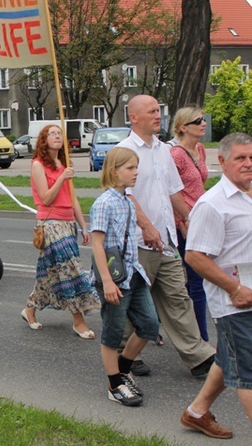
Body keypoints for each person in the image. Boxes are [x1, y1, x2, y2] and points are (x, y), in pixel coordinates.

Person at [116, 95, 215, 378]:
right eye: (151, 112)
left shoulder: (163, 150)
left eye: (159, 111)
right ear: (133, 117)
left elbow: (174, 191)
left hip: (167, 240)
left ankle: (199, 357)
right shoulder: (124, 151)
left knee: (178, 297)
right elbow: (125, 194)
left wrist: (186, 223)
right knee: (134, 300)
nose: (158, 116)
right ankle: (125, 355)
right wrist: (146, 226)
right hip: (138, 241)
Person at [179, 133, 252, 439]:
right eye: (240, 158)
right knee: (249, 372)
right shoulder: (212, 204)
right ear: (222, 162)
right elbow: (195, 256)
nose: (248, 164)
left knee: (230, 357)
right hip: (235, 303)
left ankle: (196, 413)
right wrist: (234, 289)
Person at [91, 147, 160, 407]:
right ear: (113, 171)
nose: (136, 172)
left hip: (134, 274)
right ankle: (115, 384)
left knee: (150, 326)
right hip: (114, 279)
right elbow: (97, 245)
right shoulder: (104, 203)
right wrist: (107, 281)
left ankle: (122, 368)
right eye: (130, 168)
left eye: (136, 167)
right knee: (113, 332)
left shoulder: (126, 200)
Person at [22, 124, 100, 337]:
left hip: (68, 224)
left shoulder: (65, 163)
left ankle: (30, 308)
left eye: (59, 133)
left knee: (51, 273)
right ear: (43, 140)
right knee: (71, 270)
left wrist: (84, 226)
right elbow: (46, 198)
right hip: (50, 223)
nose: (57, 136)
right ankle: (79, 319)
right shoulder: (38, 164)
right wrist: (61, 178)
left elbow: (72, 197)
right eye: (52, 134)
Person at [169, 107, 210, 342]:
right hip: (184, 222)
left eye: (203, 119)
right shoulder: (175, 155)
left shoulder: (200, 149)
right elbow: (169, 191)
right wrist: (181, 221)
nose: (203, 123)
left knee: (195, 280)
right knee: (195, 280)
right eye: (198, 120)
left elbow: (199, 185)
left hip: (199, 219)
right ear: (183, 127)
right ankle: (201, 339)